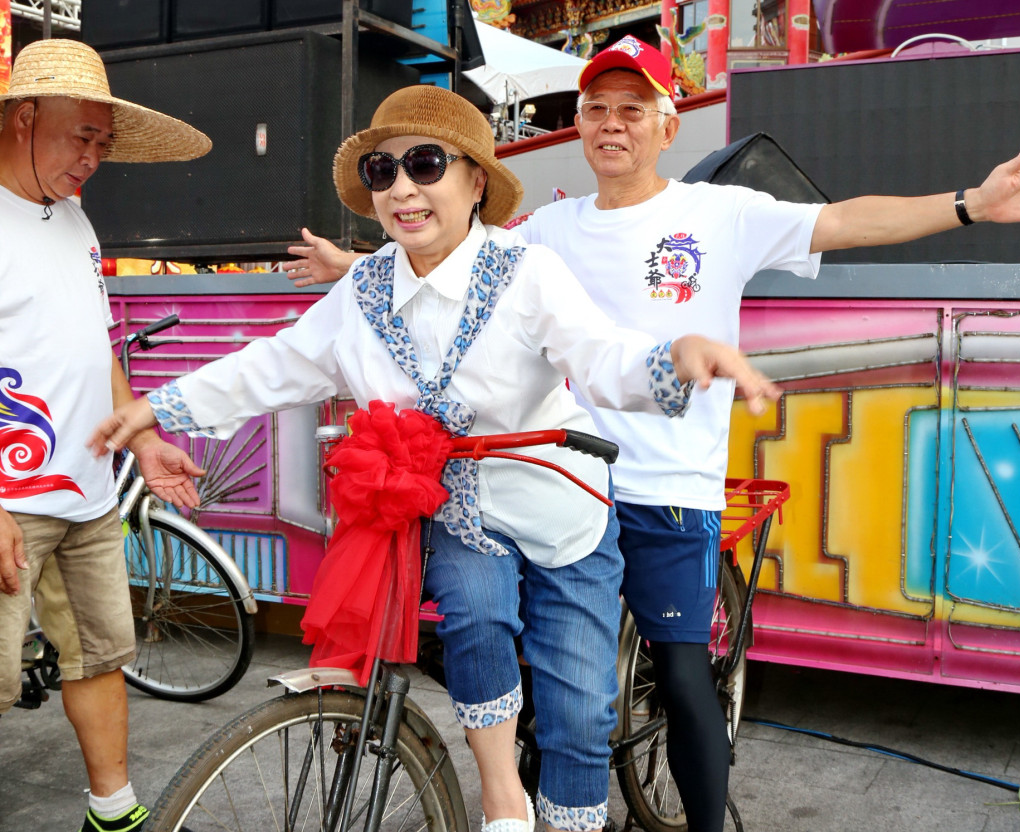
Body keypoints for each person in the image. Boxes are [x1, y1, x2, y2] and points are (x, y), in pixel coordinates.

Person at [280, 35, 1020, 832]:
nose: (610, 124)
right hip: (553, 483)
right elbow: (448, 247)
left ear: (668, 128)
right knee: (538, 667)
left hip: (665, 488)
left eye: (633, 110)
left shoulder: (722, 214)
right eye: (595, 108)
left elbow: (843, 221)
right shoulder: (547, 227)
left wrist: (970, 205)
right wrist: (358, 264)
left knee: (678, 672)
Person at [88, 84, 780, 832]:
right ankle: (500, 801)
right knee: (476, 617)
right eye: (383, 172)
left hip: (563, 509)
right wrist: (158, 408)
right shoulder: (364, 289)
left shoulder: (526, 272)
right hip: (459, 507)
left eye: (425, 164)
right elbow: (276, 363)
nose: (403, 189)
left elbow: (603, 355)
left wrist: (677, 356)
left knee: (581, 709)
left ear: (475, 180)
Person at [0, 39, 211, 832]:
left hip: (86, 494)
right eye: (80, 136)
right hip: (9, 501)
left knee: (100, 655)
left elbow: (96, 348)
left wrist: (144, 439)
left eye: (103, 143)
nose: (93, 157)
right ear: (26, 118)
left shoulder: (77, 219)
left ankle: (113, 810)